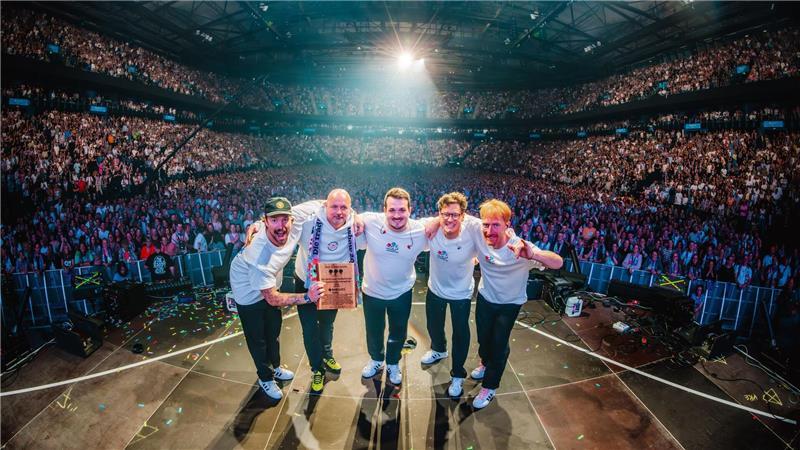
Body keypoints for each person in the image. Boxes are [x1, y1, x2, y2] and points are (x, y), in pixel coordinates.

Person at [462, 199, 563, 409]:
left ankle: (489, 387)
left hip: (509, 305)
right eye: (486, 224)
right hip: (485, 298)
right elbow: (453, 214)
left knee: (499, 344)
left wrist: (533, 254)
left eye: (496, 225)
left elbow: (558, 262)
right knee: (483, 339)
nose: (489, 230)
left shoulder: (521, 247)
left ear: (507, 225)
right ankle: (485, 363)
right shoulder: (480, 234)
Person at [229, 197, 325, 401]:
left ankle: (276, 366)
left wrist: (354, 217)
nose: (281, 226)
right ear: (266, 222)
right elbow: (272, 299)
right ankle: (265, 377)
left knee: (273, 330)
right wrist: (308, 296)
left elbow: (326, 202)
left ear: (292, 218)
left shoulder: (296, 216)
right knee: (258, 338)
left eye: (284, 219)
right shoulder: (259, 254)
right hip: (247, 292)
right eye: (274, 220)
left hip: (270, 283)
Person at [268, 189, 361, 394]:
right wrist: (259, 225)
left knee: (327, 324)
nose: (339, 212)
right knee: (310, 329)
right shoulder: (308, 222)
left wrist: (358, 217)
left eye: (344, 207)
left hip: (333, 284)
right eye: (334, 206)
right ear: (325, 206)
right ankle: (317, 369)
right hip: (306, 283)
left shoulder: (354, 226)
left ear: (350, 209)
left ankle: (327, 355)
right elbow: (283, 220)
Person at [358, 188, 428, 386]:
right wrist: (355, 218)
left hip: (401, 292)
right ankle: (376, 360)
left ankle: (393, 363)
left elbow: (447, 221)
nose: (397, 215)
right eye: (392, 210)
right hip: (372, 291)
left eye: (402, 210)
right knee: (374, 330)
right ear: (384, 210)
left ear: (410, 210)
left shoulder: (420, 231)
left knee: (398, 331)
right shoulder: (370, 221)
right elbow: (350, 216)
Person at [419, 192, 477, 398]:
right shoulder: (431, 225)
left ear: (463, 215)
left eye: (455, 215)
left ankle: (458, 374)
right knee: (433, 325)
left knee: (460, 333)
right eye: (445, 214)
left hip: (461, 293)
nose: (450, 219)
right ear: (439, 214)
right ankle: (438, 349)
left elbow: (494, 229)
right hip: (436, 288)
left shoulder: (473, 228)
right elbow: (403, 223)